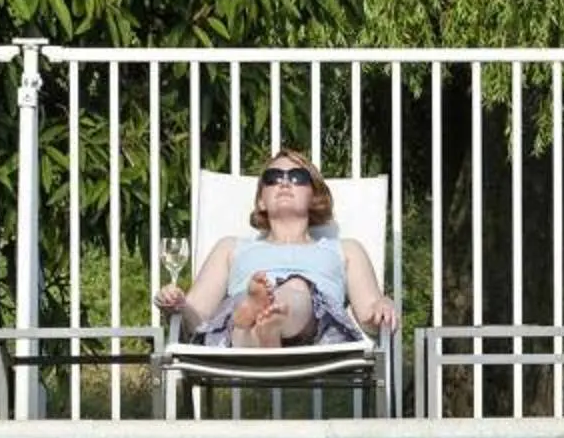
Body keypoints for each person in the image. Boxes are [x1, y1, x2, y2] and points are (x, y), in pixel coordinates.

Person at [154, 148, 400, 348]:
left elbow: (370, 315)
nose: (284, 183)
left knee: (297, 287)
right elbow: (196, 318)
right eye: (273, 178)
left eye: (297, 177)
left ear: (314, 196)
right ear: (261, 199)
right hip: (238, 320)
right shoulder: (231, 248)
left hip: (313, 324)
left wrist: (382, 305)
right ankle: (264, 325)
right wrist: (177, 305)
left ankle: (265, 316)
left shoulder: (345, 250)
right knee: (241, 314)